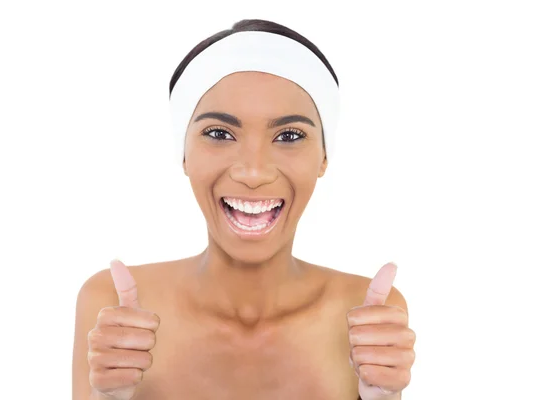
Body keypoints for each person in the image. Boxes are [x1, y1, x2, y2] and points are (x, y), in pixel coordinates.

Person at [72, 19, 416, 400]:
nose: (253, 172)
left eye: (289, 136)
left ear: (323, 157)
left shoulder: (369, 315)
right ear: (183, 153)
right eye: (219, 133)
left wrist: (383, 399)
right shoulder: (111, 307)